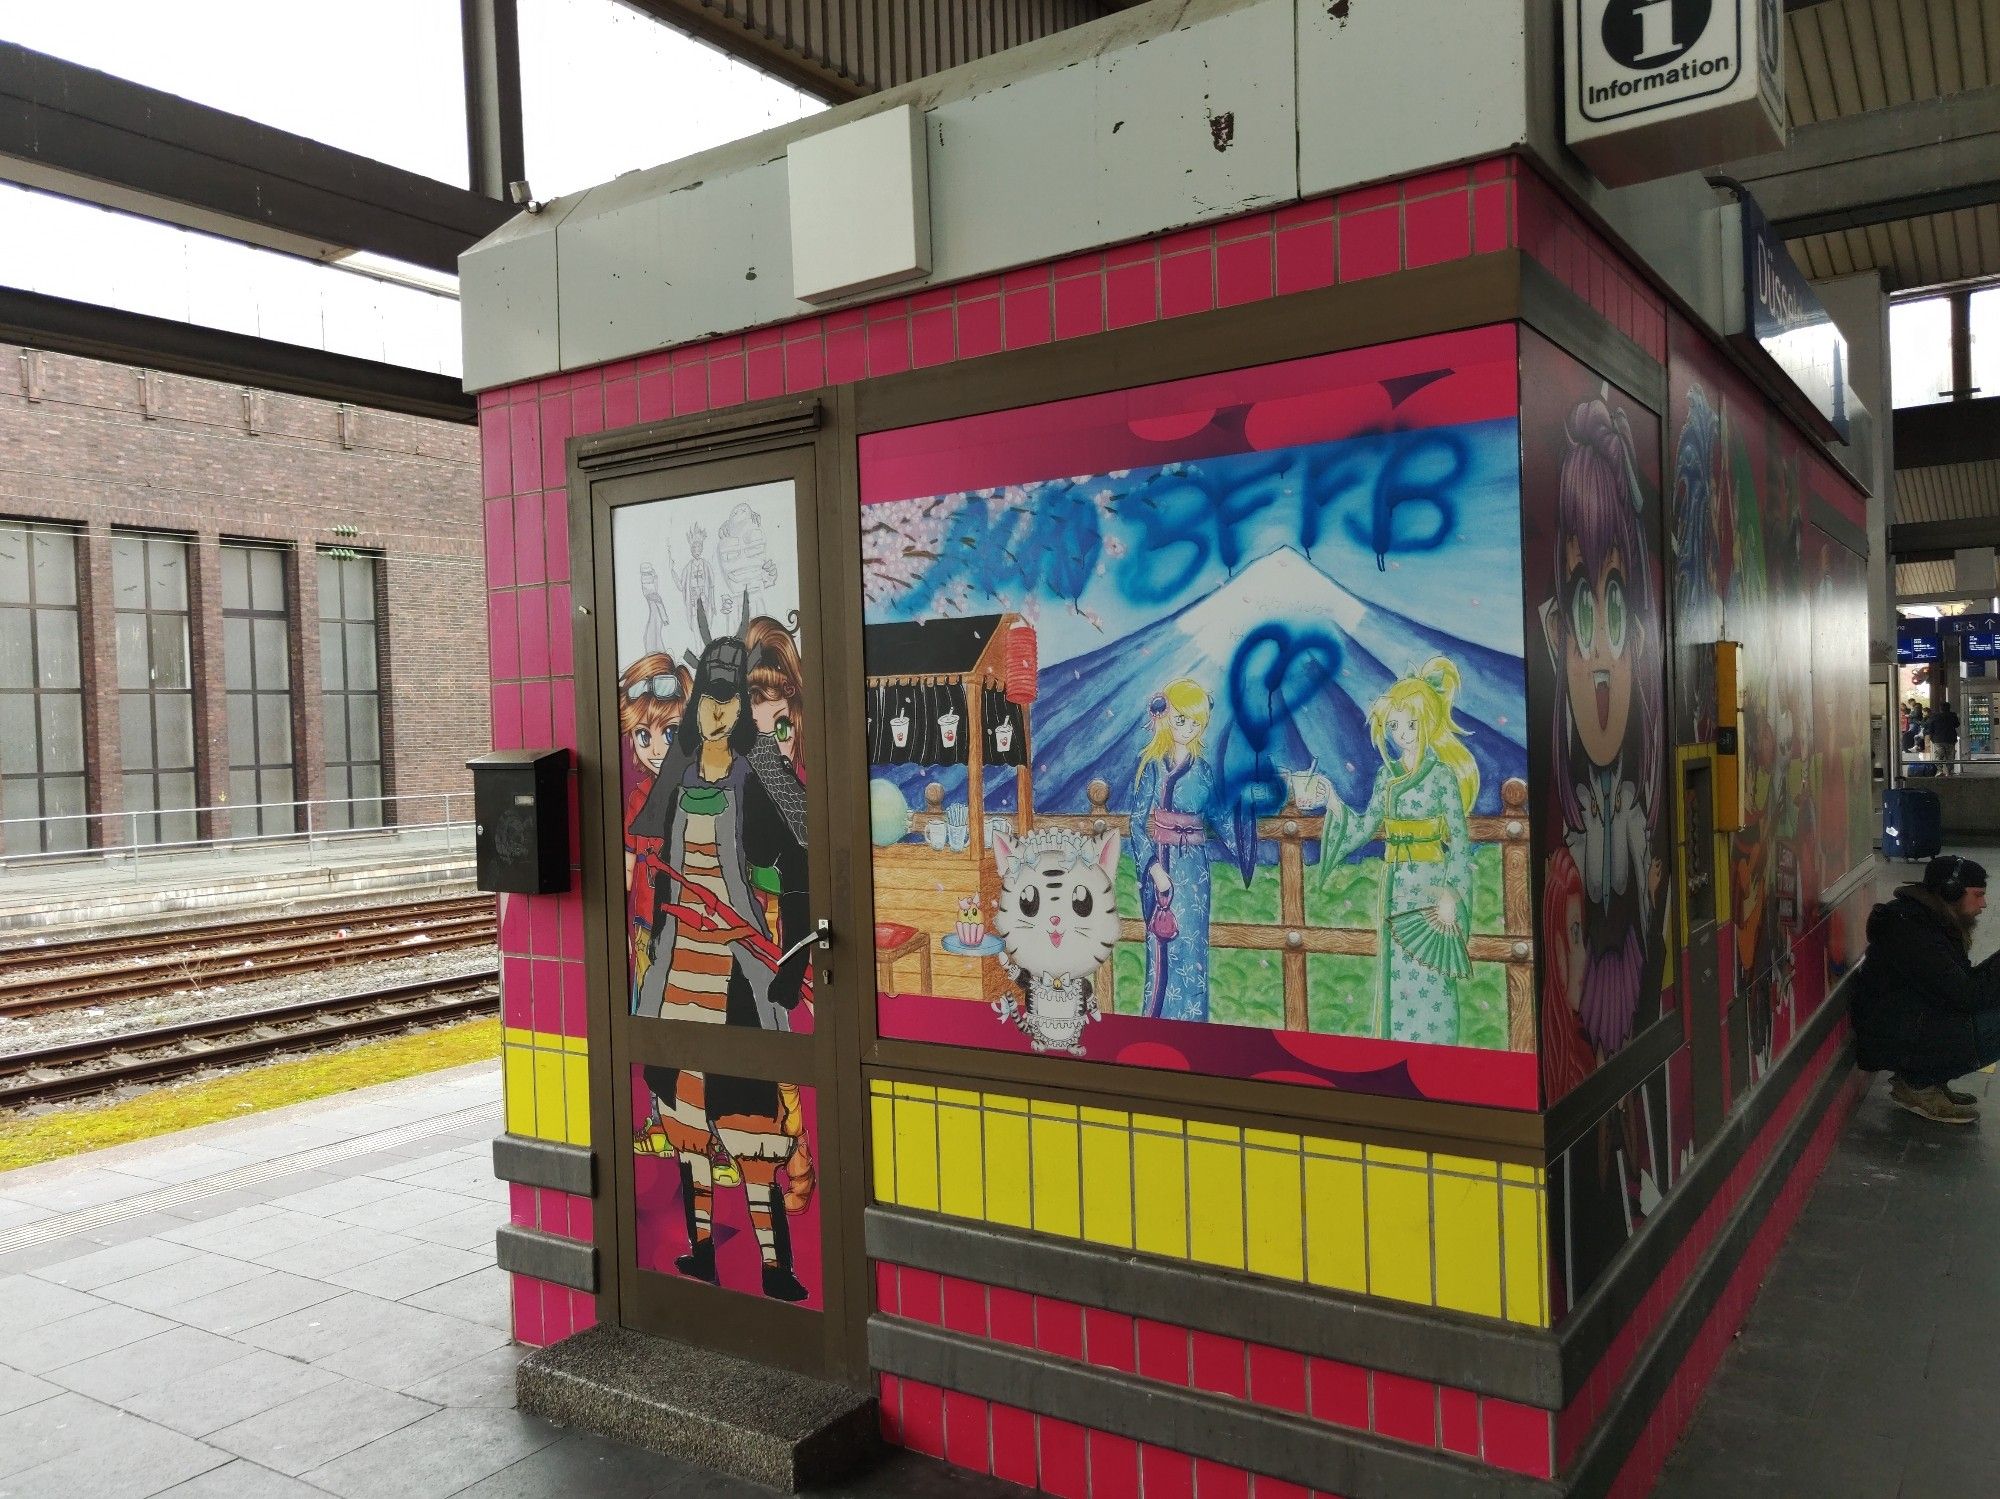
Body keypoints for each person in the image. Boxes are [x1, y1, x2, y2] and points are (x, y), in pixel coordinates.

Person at [1320, 657, 1479, 1045]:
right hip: (1394, 885)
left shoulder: (1441, 775)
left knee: (1431, 973)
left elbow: (1458, 839)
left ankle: (1437, 1047)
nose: (1402, 734)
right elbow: (1364, 826)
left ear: (1428, 722)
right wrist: (1332, 801)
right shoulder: (1386, 778)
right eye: (1394, 726)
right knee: (1396, 972)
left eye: (1411, 724)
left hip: (1429, 884)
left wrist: (1450, 892)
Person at [1851, 855, 2000, 1125]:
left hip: (1910, 1023)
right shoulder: (1914, 932)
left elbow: (1961, 985)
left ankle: (1926, 1078)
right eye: (1977, 895)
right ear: (1951, 891)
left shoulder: (1932, 921)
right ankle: (1918, 1083)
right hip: (1894, 1036)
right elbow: (1966, 996)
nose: (1983, 904)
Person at [1129, 678, 1216, 1022]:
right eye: (1182, 719)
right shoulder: (1152, 766)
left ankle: (1194, 1025)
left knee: (1192, 949)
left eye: (1196, 722)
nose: (1189, 728)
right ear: (1166, 717)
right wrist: (1154, 869)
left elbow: (1221, 815)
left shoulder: (1204, 771)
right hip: (1161, 868)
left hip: (1195, 871)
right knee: (1161, 947)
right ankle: (1158, 1022)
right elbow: (1136, 824)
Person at [1929, 699, 1961, 775]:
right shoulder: (1952, 715)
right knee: (1950, 756)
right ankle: (1949, 772)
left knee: (1938, 756)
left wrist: (1932, 738)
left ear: (1940, 708)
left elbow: (1931, 728)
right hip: (1950, 739)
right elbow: (1957, 724)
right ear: (1949, 708)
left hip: (1938, 740)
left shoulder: (1935, 716)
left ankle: (1939, 771)